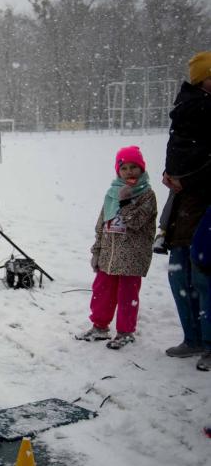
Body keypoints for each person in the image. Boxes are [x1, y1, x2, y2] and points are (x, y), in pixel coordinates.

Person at [77, 146, 157, 349]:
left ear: (142, 169)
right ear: (118, 171)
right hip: (109, 255)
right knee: (102, 290)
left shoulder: (147, 195)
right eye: (124, 168)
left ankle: (125, 332)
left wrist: (126, 201)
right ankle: (100, 326)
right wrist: (97, 251)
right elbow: (102, 224)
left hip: (132, 257)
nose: (129, 172)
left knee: (127, 295)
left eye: (134, 167)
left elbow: (136, 221)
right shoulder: (112, 192)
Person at [162, 51, 211, 370]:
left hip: (203, 203)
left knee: (204, 276)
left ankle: (207, 341)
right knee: (180, 274)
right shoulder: (189, 108)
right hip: (184, 205)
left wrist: (185, 178)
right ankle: (193, 337)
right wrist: (170, 174)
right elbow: (179, 148)